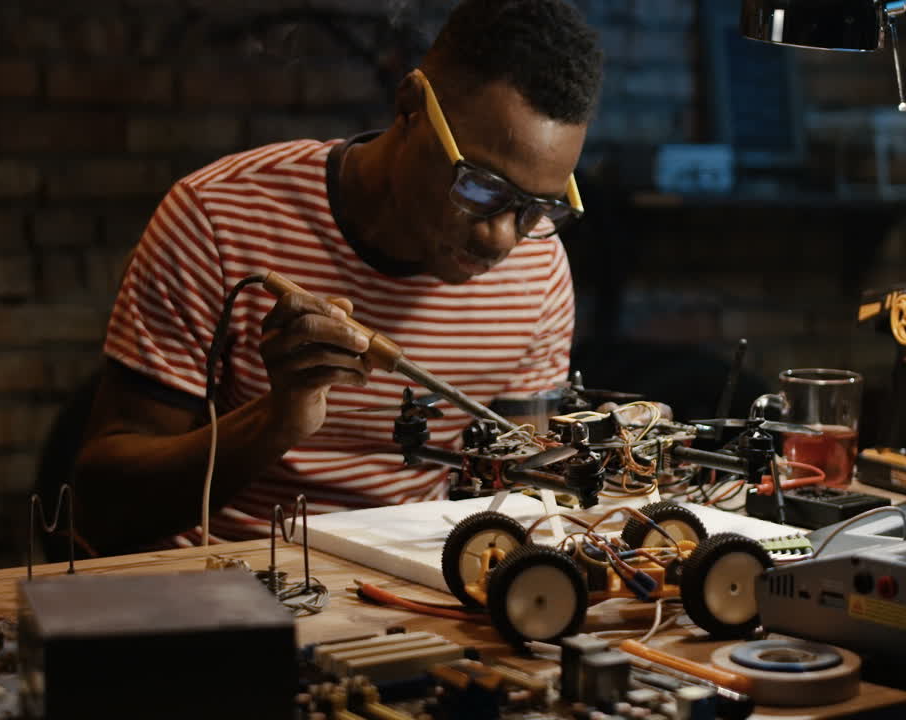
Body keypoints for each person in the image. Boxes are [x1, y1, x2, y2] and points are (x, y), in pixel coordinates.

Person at [73, 0, 604, 555]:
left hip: (411, 590)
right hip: (216, 586)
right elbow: (105, 511)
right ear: (410, 106)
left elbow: (517, 490)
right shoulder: (219, 217)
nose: (501, 238)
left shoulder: (537, 271)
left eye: (536, 208)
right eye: (479, 186)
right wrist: (279, 417)